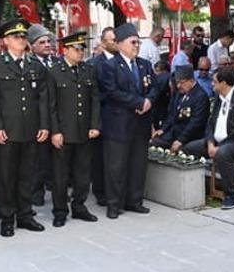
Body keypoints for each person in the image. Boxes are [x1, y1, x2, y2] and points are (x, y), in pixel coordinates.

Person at [0, 18, 50, 237]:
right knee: (6, 175)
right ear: (5, 40)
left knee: (27, 174)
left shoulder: (35, 65)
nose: (21, 40)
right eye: (16, 36)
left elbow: (43, 98)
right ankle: (7, 217)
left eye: (24, 36)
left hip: (30, 128)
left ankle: (25, 214)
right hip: (7, 130)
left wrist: (44, 125)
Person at [98, 22, 159, 218]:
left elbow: (155, 87)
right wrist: (139, 102)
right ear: (121, 43)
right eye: (133, 42)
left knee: (137, 164)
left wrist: (148, 101)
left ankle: (135, 201)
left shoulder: (144, 64)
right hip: (118, 125)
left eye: (138, 42)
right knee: (116, 166)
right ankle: (114, 205)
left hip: (140, 124)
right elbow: (112, 92)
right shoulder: (110, 65)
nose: (136, 46)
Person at [183, 69, 234, 210]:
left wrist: (219, 146)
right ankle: (197, 188)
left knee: (224, 152)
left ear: (224, 83)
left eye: (214, 82)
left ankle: (231, 195)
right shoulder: (219, 98)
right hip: (217, 142)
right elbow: (211, 122)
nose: (212, 84)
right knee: (189, 148)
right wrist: (211, 142)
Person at [47, 31, 101, 227]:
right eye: (76, 49)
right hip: (63, 131)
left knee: (82, 173)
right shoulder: (54, 71)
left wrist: (95, 125)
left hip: (84, 130)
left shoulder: (88, 70)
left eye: (82, 49)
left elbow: (95, 100)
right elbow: (50, 105)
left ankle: (79, 206)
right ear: (66, 50)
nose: (80, 53)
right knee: (60, 175)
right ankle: (60, 210)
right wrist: (55, 131)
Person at [27, 24, 56, 206]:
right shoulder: (31, 65)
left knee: (56, 159)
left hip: (57, 118)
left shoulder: (57, 62)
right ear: (32, 46)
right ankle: (36, 193)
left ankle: (57, 189)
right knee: (38, 160)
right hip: (38, 120)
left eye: (48, 41)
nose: (47, 44)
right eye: (42, 42)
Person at [152, 65, 210, 152]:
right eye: (177, 82)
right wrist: (163, 129)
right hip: (173, 132)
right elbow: (171, 114)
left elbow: (196, 123)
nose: (178, 86)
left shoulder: (200, 96)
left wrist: (181, 140)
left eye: (182, 82)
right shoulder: (178, 93)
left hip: (190, 136)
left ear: (191, 80)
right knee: (154, 142)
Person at [89, 26, 117, 208]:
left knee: (115, 158)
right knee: (99, 157)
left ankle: (115, 190)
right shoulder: (95, 64)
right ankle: (100, 192)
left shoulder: (124, 61)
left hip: (120, 118)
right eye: (111, 40)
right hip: (102, 115)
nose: (115, 42)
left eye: (116, 39)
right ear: (103, 42)